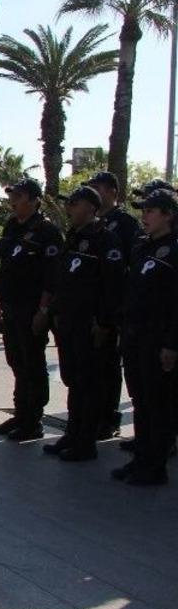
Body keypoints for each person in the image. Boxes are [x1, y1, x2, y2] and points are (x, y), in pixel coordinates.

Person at [41, 185, 124, 462]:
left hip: (90, 324)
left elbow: (112, 286)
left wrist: (104, 322)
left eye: (74, 203)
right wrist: (54, 310)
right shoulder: (74, 236)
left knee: (89, 383)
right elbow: (63, 279)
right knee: (74, 381)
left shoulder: (106, 239)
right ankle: (72, 433)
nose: (69, 208)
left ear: (90, 207)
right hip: (69, 322)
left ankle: (86, 441)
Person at [0, 177, 63, 441]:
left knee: (32, 363)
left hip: (31, 307)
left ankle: (33, 420)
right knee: (16, 361)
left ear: (34, 201)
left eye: (18, 197)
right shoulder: (12, 226)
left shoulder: (47, 232)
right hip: (11, 304)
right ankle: (20, 414)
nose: (13, 201)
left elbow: (52, 277)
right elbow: (5, 265)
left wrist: (43, 311)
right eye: (12, 196)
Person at [113, 186, 178, 486]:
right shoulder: (142, 247)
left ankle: (155, 467)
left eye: (150, 211)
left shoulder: (174, 250)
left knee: (158, 404)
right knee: (140, 401)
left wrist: (171, 344)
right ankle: (141, 458)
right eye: (143, 211)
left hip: (158, 338)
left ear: (168, 215)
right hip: (134, 336)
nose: (144, 216)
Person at [87, 170, 143, 441]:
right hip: (90, 303)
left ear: (112, 191)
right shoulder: (92, 223)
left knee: (108, 365)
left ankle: (108, 419)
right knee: (91, 367)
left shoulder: (125, 224)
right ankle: (92, 416)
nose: (94, 192)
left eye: (98, 187)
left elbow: (131, 266)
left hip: (111, 307)